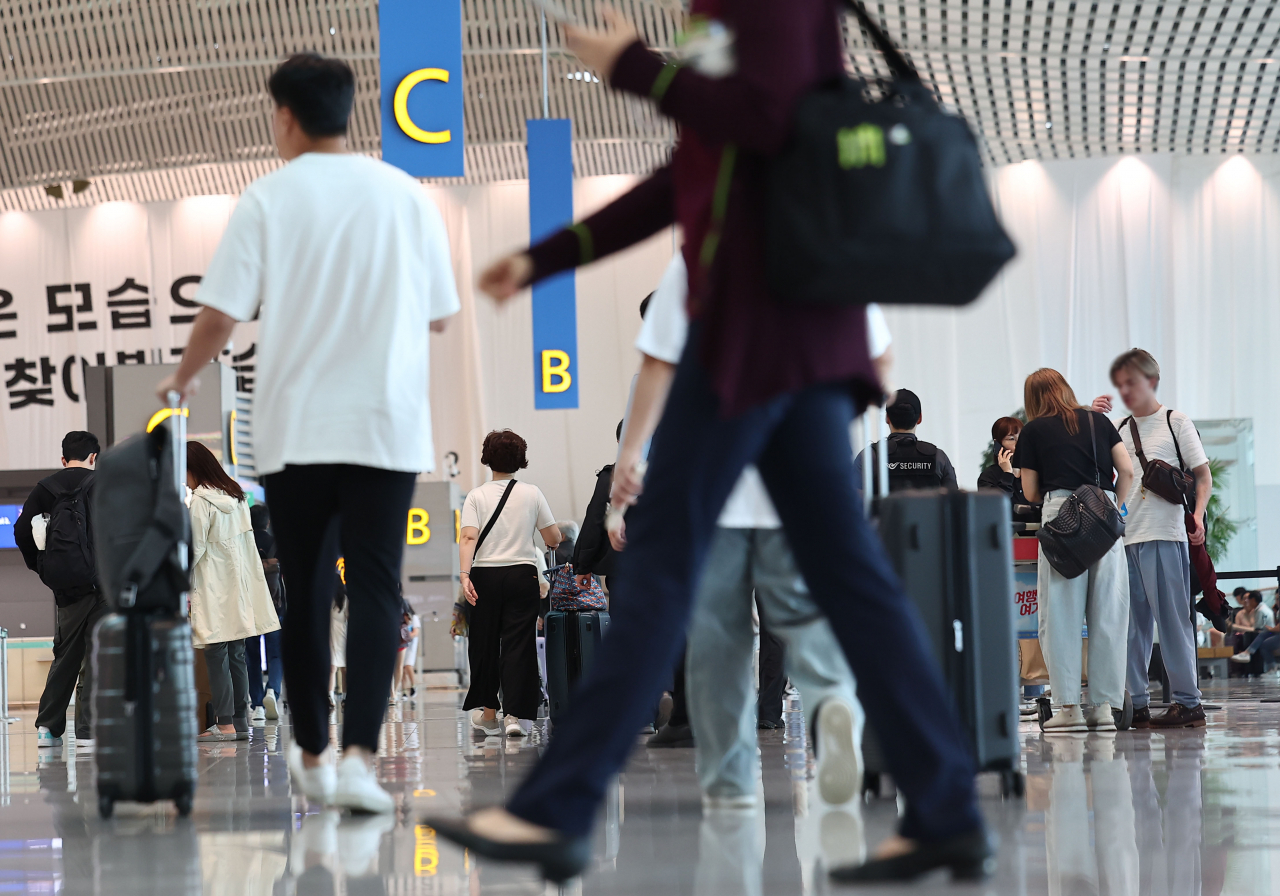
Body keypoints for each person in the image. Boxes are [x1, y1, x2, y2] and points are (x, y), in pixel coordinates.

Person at [427, 3, 992, 882]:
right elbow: (690, 173)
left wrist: (633, 66)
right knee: (844, 583)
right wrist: (550, 256)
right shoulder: (717, 14)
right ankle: (950, 806)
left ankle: (559, 809)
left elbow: (764, 121)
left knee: (665, 575)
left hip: (755, 338)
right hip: (779, 338)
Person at [158, 53, 460, 811]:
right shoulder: (405, 195)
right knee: (380, 588)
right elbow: (440, 314)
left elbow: (221, 313)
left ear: (285, 115)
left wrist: (183, 377)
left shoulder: (267, 198)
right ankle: (360, 758)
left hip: (295, 431)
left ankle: (315, 753)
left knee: (309, 586)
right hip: (386, 426)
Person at [618, 251, 869, 806]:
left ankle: (730, 774)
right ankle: (828, 712)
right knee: (797, 622)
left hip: (716, 508)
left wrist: (624, 497)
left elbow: (654, 445)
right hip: (790, 500)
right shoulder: (804, 271)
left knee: (719, 636)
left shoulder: (692, 285)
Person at [1091, 349, 1212, 729]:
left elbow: (1203, 476)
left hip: (1164, 533)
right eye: (1120, 384)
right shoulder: (1119, 428)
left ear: (1152, 381)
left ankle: (1189, 702)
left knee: (1173, 621)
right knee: (1131, 625)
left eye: (1132, 382)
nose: (1125, 390)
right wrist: (1094, 420)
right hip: (1126, 537)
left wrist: (1197, 515)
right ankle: (1136, 703)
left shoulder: (1175, 421)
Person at [1013, 369, 1134, 733]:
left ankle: (1068, 707)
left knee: (1061, 617)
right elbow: (1126, 470)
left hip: (1062, 516)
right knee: (1109, 615)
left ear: (1033, 399)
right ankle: (1102, 707)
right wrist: (1114, 506)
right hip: (1104, 516)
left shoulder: (1033, 430)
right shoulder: (1098, 421)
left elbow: (1031, 492)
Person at [459, 430, 562, 739]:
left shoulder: (476, 496)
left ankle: (489, 714)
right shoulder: (532, 493)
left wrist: (464, 575)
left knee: (485, 643)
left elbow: (467, 537)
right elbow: (553, 538)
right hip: (522, 575)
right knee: (518, 644)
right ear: (521, 459)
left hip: (484, 576)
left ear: (487, 458)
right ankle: (514, 717)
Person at [14, 431, 106, 749]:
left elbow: (21, 531)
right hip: (104, 586)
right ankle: (87, 731)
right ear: (94, 457)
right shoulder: (102, 485)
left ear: (63, 459)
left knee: (65, 656)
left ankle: (48, 728)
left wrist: (43, 568)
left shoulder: (46, 487)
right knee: (96, 655)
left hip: (67, 589)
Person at [186, 442, 280, 742]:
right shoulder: (237, 496)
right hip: (237, 585)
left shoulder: (201, 502)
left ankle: (224, 723)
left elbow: (196, 548)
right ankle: (240, 721)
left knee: (215, 652)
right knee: (237, 652)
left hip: (212, 588)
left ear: (194, 469)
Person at [851, 388, 959, 495]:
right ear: (919, 418)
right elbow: (954, 503)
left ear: (887, 418)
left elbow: (852, 499)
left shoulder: (869, 457)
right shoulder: (939, 457)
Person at [246, 502, 284, 723]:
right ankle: (273, 691)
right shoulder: (275, 544)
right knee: (276, 654)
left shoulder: (244, 545)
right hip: (274, 607)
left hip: (249, 608)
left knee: (251, 656)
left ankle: (257, 705)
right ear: (268, 522)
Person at [977, 416, 1029, 504]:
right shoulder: (988, 476)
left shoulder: (1032, 472)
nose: (1019, 443)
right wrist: (1007, 474)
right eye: (1011, 439)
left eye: (1021, 437)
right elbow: (995, 506)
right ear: (998, 444)